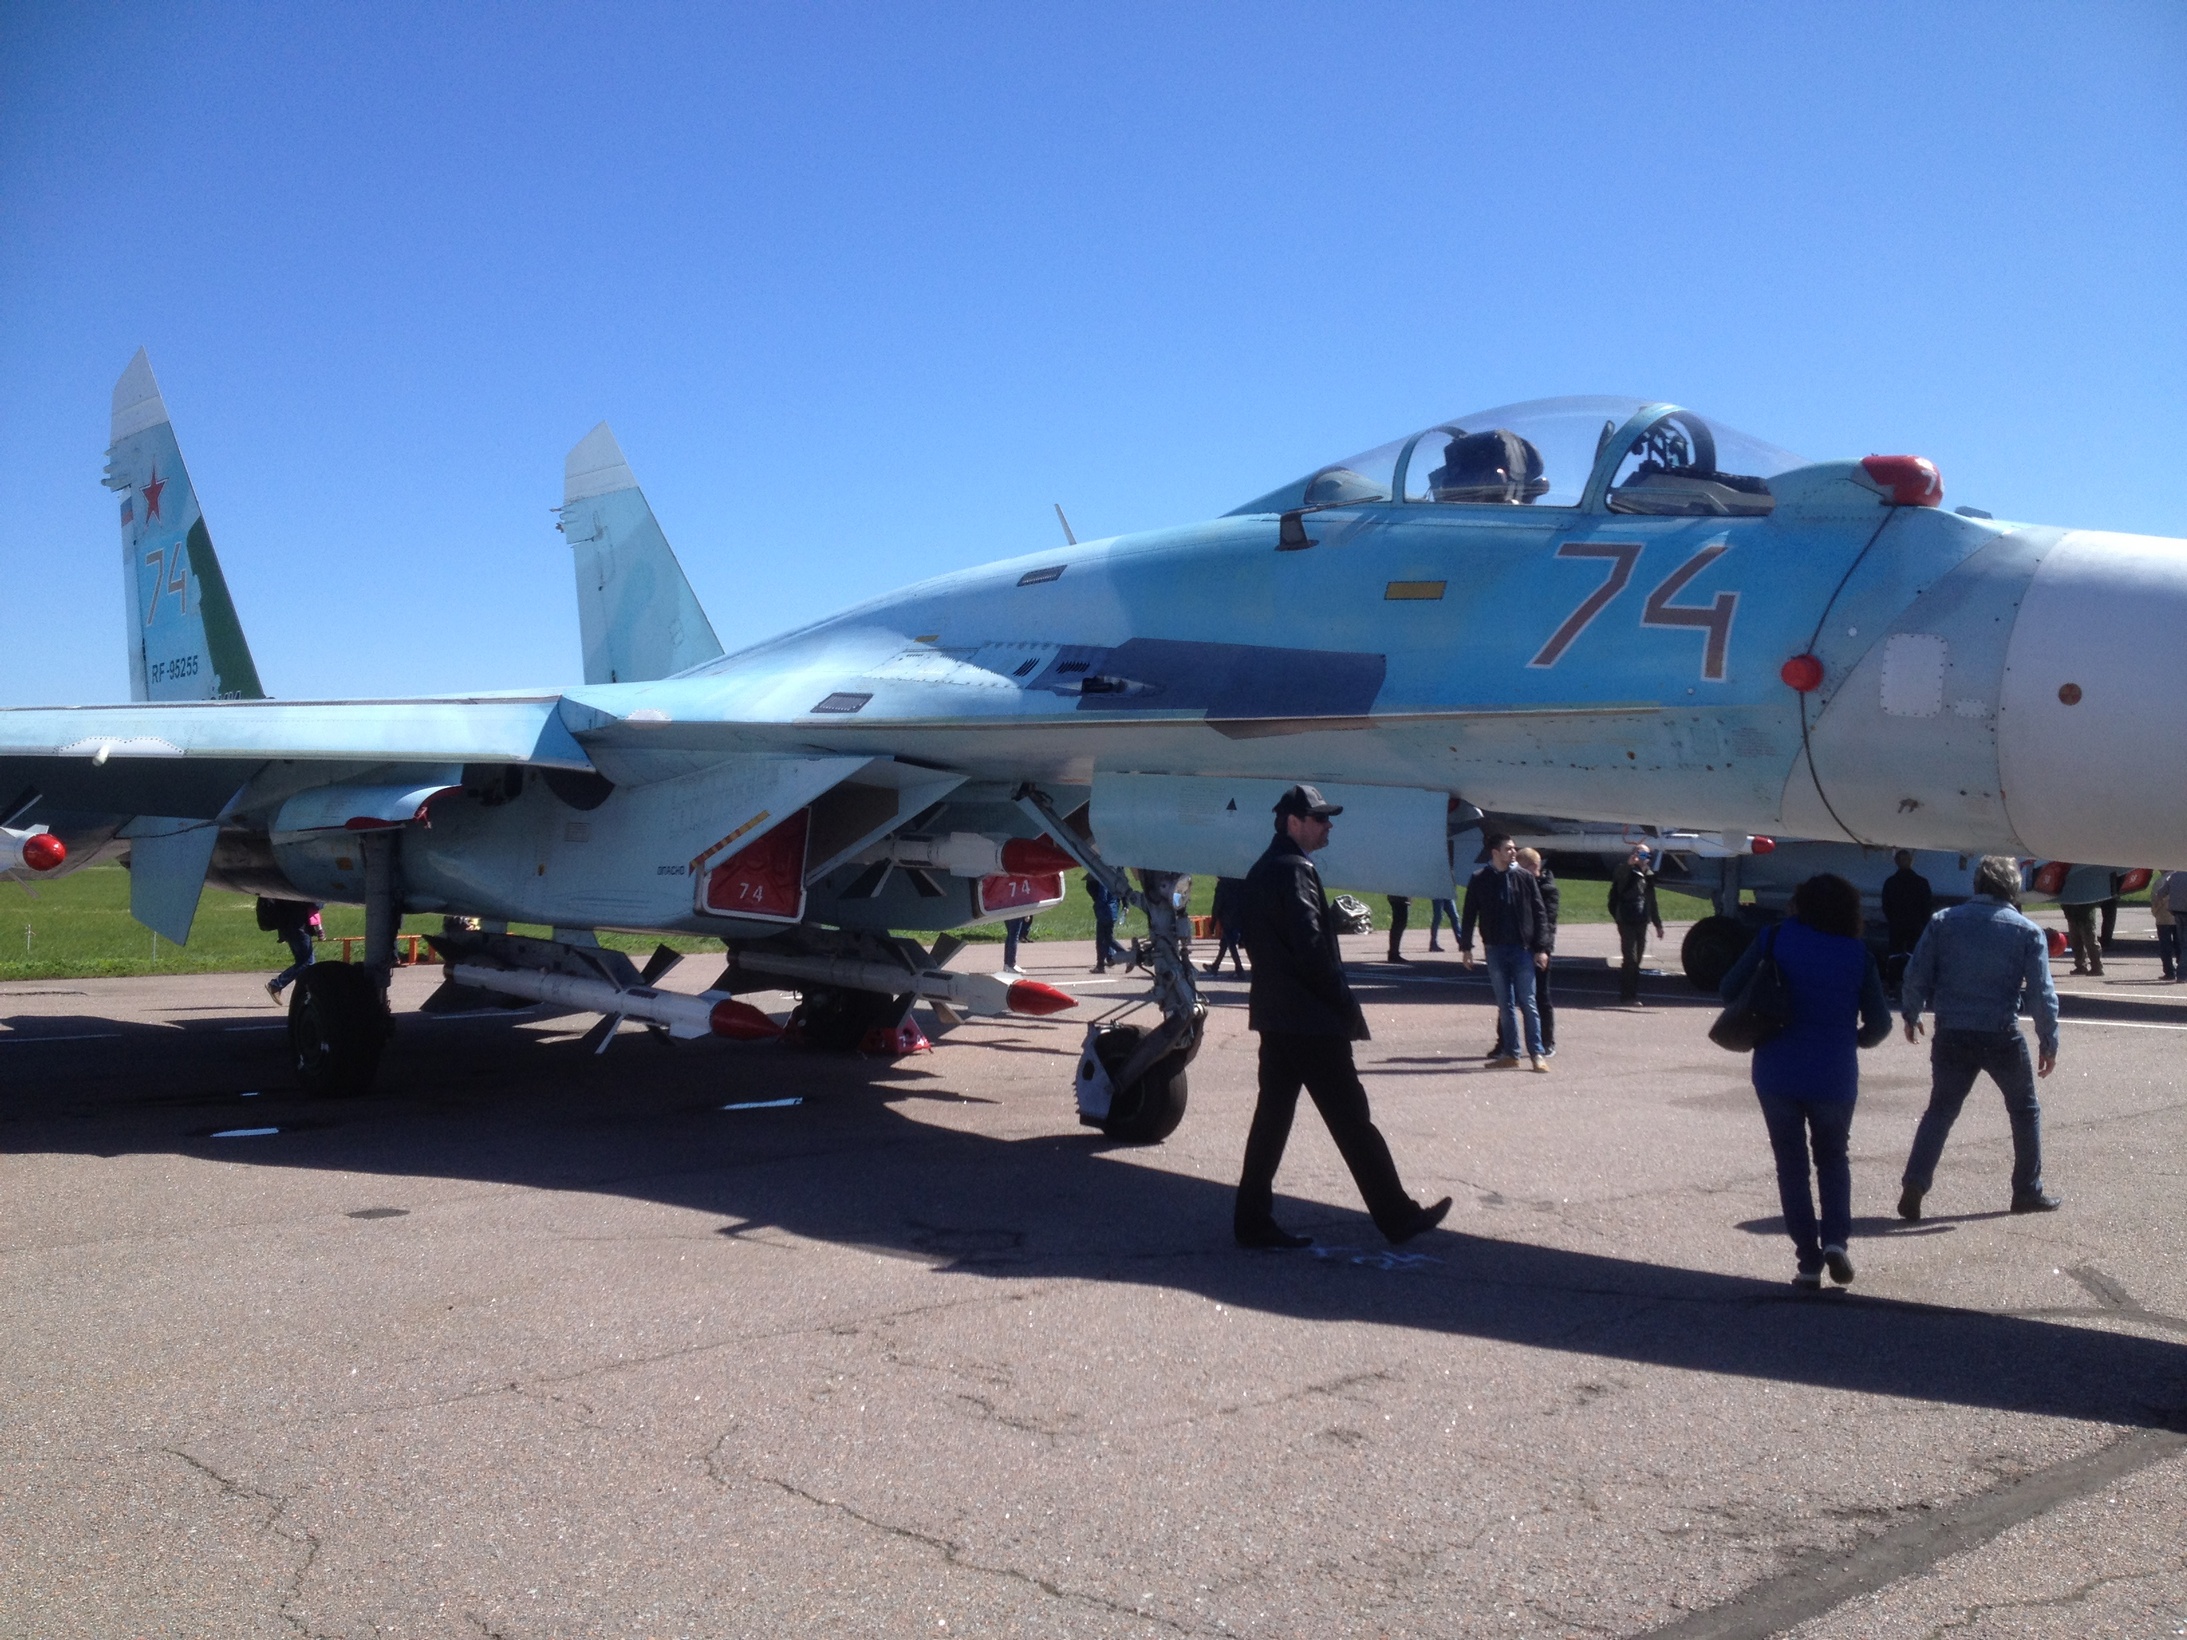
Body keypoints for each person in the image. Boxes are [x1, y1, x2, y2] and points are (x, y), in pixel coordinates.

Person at [1234, 784, 1451, 1250]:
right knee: (1352, 1120)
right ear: (1293, 822)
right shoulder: (1295, 870)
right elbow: (1312, 948)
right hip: (1310, 1020)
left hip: (1277, 1015)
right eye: (1319, 818)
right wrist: (1343, 1004)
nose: (1328, 825)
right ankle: (1397, 1216)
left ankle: (1251, 1219)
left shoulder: (1262, 868)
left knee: (1272, 1119)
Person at [1718, 874, 1893, 1290]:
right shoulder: (1857, 954)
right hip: (1834, 1071)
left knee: (1791, 1165)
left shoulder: (1774, 938)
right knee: (1833, 1158)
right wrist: (1856, 1039)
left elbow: (1729, 989)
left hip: (1777, 1068)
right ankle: (1836, 1240)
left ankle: (1807, 1261)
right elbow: (1880, 1023)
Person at [1897, 854, 2063, 1218]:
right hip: (2000, 1033)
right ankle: (2027, 1191)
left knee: (1940, 1110)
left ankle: (1915, 1182)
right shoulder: (2027, 931)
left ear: (1977, 884)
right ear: (2012, 887)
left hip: (1952, 1030)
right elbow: (2041, 993)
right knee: (2024, 1111)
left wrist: (1911, 1012)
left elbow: (1916, 972)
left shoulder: (1943, 921)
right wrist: (2048, 1040)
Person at [1457, 833, 1552, 1070]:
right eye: (1508, 848)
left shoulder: (1524, 877)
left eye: (1513, 848)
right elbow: (1469, 914)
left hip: (1522, 950)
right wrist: (1466, 947)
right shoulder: (1480, 878)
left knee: (1528, 1002)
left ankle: (1537, 1054)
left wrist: (1541, 948)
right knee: (1505, 1004)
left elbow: (1539, 913)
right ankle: (1511, 1053)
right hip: (1495, 950)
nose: (1513, 852)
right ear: (1495, 852)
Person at [1609, 843, 1664, 1005]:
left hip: (1641, 920)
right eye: (1641, 854)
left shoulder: (1648, 874)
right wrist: (1629, 865)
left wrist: (1658, 924)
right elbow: (1619, 878)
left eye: (1647, 855)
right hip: (1626, 919)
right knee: (1630, 959)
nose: (1645, 858)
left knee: (1637, 959)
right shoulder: (1625, 871)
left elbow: (1652, 901)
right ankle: (1627, 996)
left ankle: (1631, 993)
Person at [1518, 848, 1559, 1057]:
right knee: (1510, 997)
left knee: (1541, 996)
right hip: (1519, 946)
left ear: (1534, 867)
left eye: (1522, 868)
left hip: (1539, 947)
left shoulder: (1547, 889)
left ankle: (1547, 1041)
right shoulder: (1519, 885)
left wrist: (1543, 949)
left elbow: (1548, 923)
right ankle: (1504, 1043)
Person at [260, 896, 322, 1003]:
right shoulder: (303, 895)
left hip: (289, 927)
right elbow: (315, 905)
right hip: (299, 928)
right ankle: (276, 985)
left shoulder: (288, 894)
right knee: (308, 962)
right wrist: (319, 928)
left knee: (301, 963)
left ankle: (302, 996)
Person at [2056, 863, 2110, 976]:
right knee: (2076, 942)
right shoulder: (2069, 878)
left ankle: (2097, 966)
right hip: (2073, 914)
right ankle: (2081, 965)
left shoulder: (2086, 880)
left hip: (2085, 915)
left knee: (2090, 941)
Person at [1084, 872, 1126, 972]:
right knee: (1105, 939)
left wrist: (1098, 908)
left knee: (1105, 939)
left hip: (1105, 913)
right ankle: (1101, 965)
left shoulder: (1104, 882)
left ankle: (1127, 956)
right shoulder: (1114, 882)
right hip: (1111, 912)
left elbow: (1102, 897)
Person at [1210, 876, 1248, 976]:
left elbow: (1217, 904)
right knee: (1225, 942)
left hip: (1227, 918)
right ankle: (1215, 966)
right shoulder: (1240, 882)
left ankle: (1239, 969)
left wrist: (1213, 921)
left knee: (1231, 943)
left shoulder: (1222, 885)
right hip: (1240, 916)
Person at [2152, 870, 2178, 982]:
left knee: (2165, 946)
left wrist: (2154, 912)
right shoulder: (2179, 878)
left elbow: (2156, 899)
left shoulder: (2160, 881)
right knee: (2180, 945)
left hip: (2163, 918)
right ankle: (2182, 970)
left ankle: (2169, 971)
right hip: (2177, 916)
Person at [1385, 895, 1411, 963]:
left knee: (1399, 923)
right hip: (1399, 899)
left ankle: (1393, 952)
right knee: (1399, 923)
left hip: (1398, 898)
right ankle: (1393, 953)